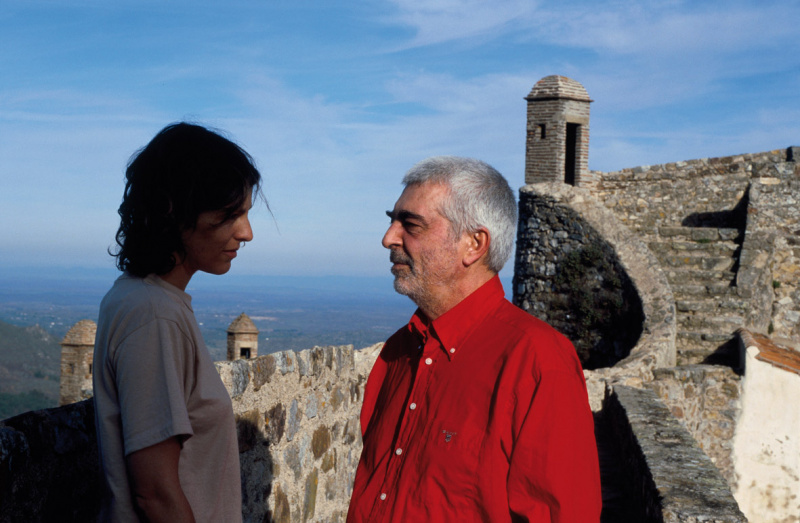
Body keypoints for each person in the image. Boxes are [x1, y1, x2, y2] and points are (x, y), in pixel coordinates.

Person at [347, 156, 601, 522]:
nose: (389, 238)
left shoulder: (537, 361)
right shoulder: (398, 352)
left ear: (474, 244)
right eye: (392, 221)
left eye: (411, 224)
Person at [93, 122, 262, 522]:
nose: (247, 233)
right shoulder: (154, 314)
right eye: (230, 215)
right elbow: (156, 494)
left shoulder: (145, 299)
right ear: (176, 211)